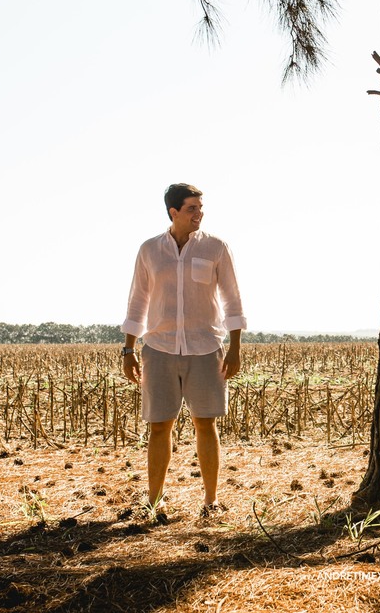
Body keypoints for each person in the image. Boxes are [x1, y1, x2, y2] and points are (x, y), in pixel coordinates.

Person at [121, 183, 246, 517]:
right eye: (192, 208)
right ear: (173, 212)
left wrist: (234, 348)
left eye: (200, 208)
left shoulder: (217, 248)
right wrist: (128, 350)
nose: (199, 214)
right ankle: (155, 500)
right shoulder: (149, 250)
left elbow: (232, 299)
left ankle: (210, 502)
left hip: (206, 349)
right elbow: (137, 300)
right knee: (159, 426)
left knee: (206, 424)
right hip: (158, 349)